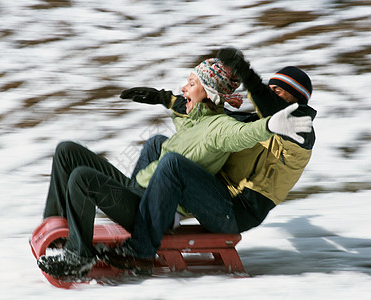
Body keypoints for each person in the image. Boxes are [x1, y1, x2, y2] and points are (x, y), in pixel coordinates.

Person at [36, 56, 312, 278]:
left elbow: (234, 130)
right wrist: (164, 98)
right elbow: (205, 115)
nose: (267, 95)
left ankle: (138, 250)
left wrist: (255, 96)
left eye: (277, 92)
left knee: (169, 165)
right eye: (269, 88)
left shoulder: (300, 131)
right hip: (213, 192)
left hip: (237, 211)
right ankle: (56, 230)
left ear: (296, 100)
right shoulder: (258, 117)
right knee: (142, 145)